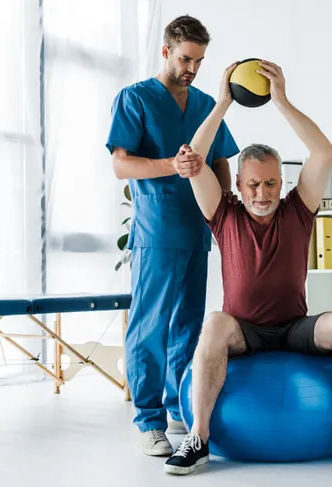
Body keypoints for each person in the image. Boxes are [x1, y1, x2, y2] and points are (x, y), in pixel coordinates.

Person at [162, 60, 332, 475]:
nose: (263, 193)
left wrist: (280, 100)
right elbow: (195, 159)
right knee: (213, 323)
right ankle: (199, 439)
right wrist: (224, 101)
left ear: (283, 181)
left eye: (272, 183)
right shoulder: (224, 214)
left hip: (294, 327)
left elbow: (323, 151)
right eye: (254, 184)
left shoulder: (299, 210)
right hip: (244, 331)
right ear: (239, 185)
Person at [105, 15, 239, 456]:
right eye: (185, 58)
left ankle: (180, 407)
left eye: (199, 61)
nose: (192, 69)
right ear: (166, 51)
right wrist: (171, 165)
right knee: (150, 327)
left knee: (187, 326)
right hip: (157, 229)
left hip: (198, 228)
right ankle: (148, 420)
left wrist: (224, 210)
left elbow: (220, 161)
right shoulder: (135, 98)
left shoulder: (203, 104)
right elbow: (121, 164)